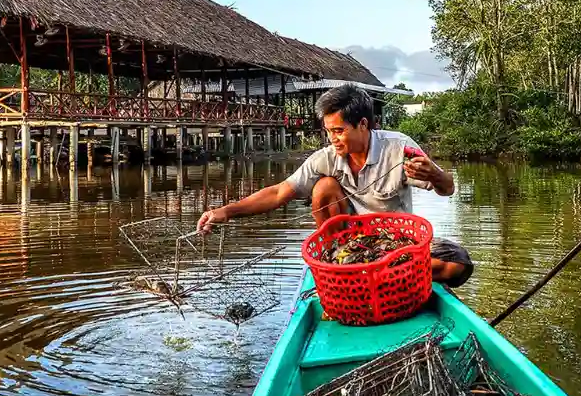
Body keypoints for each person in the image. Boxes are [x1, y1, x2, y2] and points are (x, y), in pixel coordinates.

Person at [197, 84, 473, 288]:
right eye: (329, 131)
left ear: (363, 125)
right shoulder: (325, 159)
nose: (333, 139)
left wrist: (434, 173)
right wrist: (225, 212)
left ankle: (380, 276)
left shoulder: (398, 147)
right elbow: (279, 192)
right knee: (324, 187)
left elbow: (447, 189)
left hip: (398, 244)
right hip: (349, 246)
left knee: (458, 265)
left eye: (339, 131)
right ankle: (348, 268)